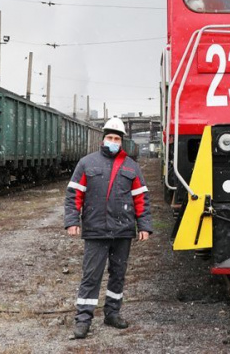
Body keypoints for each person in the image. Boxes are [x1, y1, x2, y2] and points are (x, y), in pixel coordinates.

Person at [64, 117, 152, 339]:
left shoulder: (132, 167)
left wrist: (144, 226)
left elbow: (141, 199)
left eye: (116, 138)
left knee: (118, 275)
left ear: (121, 142)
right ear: (103, 139)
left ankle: (112, 314)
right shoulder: (86, 163)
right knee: (91, 276)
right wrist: (72, 221)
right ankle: (83, 320)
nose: (113, 141)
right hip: (96, 231)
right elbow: (74, 194)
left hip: (123, 231)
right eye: (110, 138)